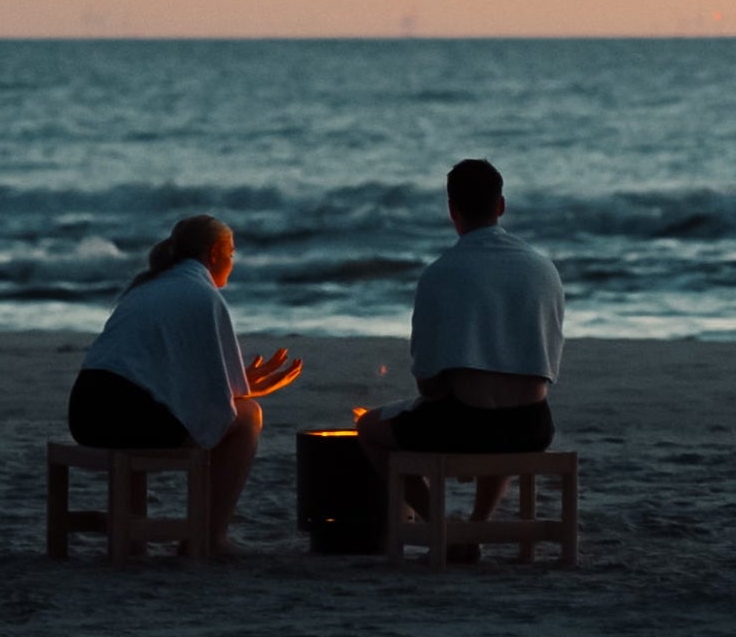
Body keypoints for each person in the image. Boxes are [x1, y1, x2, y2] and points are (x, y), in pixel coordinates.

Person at [68, 213, 303, 557]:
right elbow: (220, 398)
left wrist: (238, 382)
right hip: (125, 418)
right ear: (213, 255)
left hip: (85, 414)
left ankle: (135, 539)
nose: (232, 262)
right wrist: (245, 389)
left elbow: (167, 374)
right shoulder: (202, 295)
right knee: (249, 416)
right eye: (231, 254)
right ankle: (209, 537)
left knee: (226, 407)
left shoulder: (146, 287)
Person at [356, 158, 564, 542]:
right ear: (501, 206)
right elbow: (548, 362)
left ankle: (442, 527)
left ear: (451, 210)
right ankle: (477, 523)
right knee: (498, 407)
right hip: (534, 426)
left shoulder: (442, 273)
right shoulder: (543, 269)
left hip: (468, 427)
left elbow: (428, 385)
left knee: (368, 427)